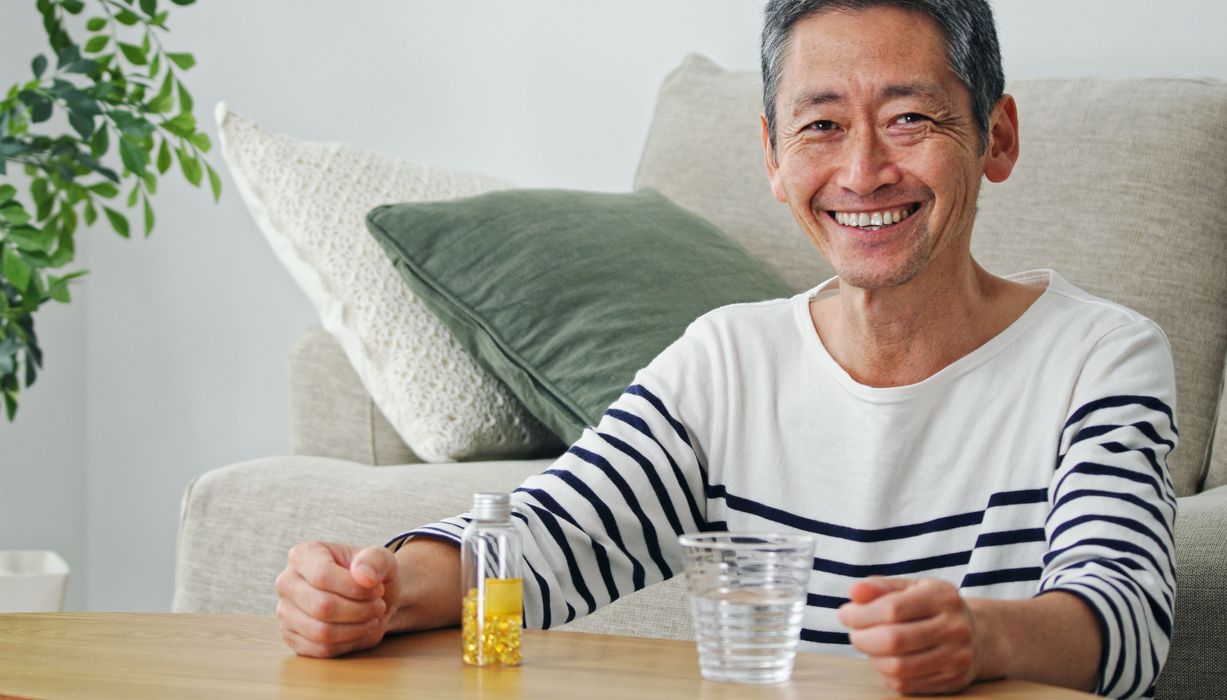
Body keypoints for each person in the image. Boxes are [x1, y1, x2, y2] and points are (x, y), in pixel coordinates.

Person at [274, 1, 1177, 697]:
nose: (862, 171)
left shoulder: (1098, 358)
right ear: (772, 156)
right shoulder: (726, 362)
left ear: (996, 137)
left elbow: (1126, 624)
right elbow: (548, 537)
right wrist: (378, 584)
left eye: (909, 118)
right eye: (820, 124)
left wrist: (982, 638)